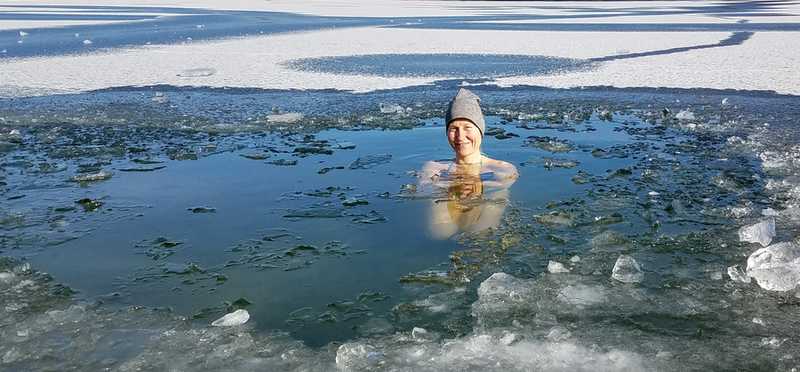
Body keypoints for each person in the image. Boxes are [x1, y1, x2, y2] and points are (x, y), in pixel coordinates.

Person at [419, 88, 518, 239]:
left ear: (480, 131)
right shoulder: (434, 166)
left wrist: (456, 182)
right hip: (443, 226)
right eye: (454, 129)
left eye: (467, 128)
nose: (460, 136)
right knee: (440, 233)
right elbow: (423, 191)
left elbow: (503, 183)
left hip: (482, 223)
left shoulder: (502, 168)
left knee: (497, 198)